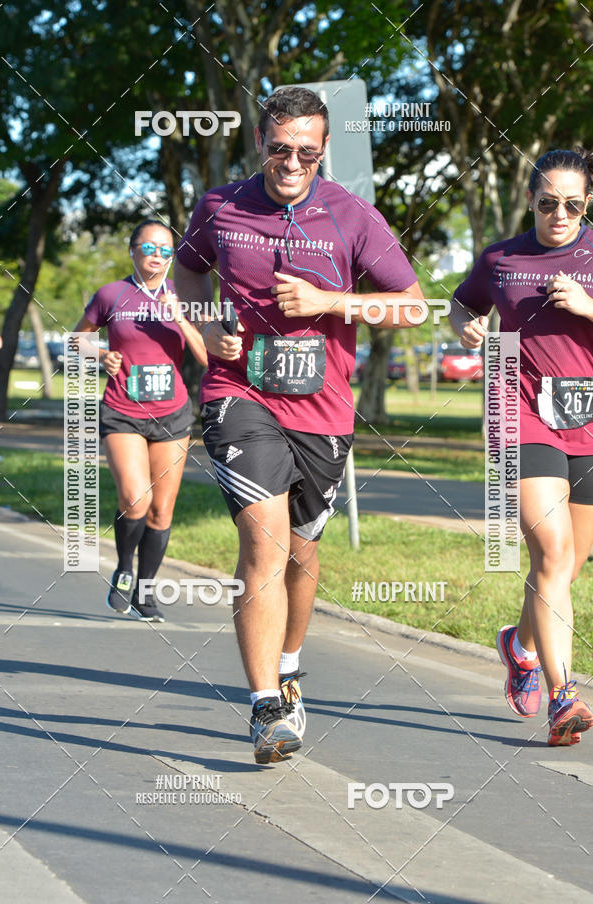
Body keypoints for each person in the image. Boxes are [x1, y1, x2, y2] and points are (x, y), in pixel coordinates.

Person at [174, 86, 426, 763]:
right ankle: (265, 707)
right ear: (260, 141)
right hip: (239, 395)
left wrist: (330, 301)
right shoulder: (220, 206)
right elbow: (187, 273)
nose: (292, 163)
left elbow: (412, 306)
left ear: (324, 150)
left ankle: (288, 666)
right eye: (280, 149)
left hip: (323, 408)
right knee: (263, 542)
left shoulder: (352, 215)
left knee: (302, 552)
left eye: (307, 153)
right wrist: (207, 328)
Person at [450, 148, 593, 746]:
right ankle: (564, 696)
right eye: (548, 202)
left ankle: (520, 644)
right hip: (522, 414)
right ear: (530, 199)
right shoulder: (501, 258)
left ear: (587, 204)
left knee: (570, 562)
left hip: (588, 418)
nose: (560, 214)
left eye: (573, 205)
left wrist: (587, 307)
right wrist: (464, 324)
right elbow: (464, 301)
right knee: (553, 553)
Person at [74, 219, 207, 622]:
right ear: (132, 250)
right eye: (149, 247)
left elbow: (207, 357)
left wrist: (179, 317)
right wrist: (101, 355)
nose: (157, 256)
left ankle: (146, 592)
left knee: (161, 511)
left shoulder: (185, 296)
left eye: (166, 250)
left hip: (172, 414)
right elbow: (77, 339)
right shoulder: (111, 294)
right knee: (136, 499)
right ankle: (124, 568)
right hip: (123, 411)